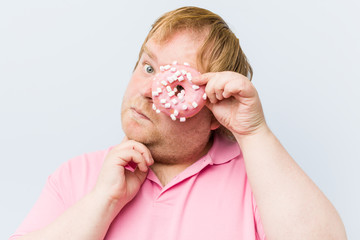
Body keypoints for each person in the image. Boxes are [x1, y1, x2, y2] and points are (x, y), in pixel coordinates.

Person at [10, 6, 347, 240]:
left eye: (175, 86)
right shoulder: (77, 176)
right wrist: (104, 200)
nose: (145, 92)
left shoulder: (261, 181)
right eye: (148, 67)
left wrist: (254, 133)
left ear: (215, 105)